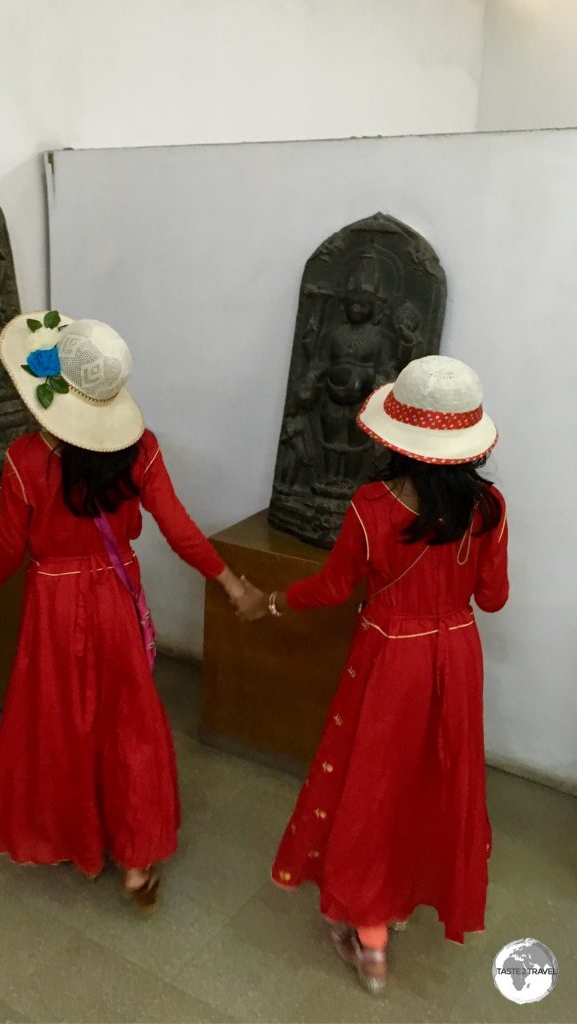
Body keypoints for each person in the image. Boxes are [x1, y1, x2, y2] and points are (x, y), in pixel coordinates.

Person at [235, 356, 509, 994]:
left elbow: (333, 588)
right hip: (458, 655)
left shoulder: (371, 504)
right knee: (435, 779)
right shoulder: (489, 507)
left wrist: (271, 602)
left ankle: (372, 936)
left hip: (391, 657)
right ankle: (407, 898)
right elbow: (492, 599)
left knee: (373, 784)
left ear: (395, 438)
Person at [0, 311, 244, 911]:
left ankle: (76, 837)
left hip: (52, 603)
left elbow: (9, 547)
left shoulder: (22, 459)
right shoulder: (139, 450)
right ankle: (137, 861)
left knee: (61, 719)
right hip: (116, 593)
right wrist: (228, 581)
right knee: (128, 719)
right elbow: (178, 529)